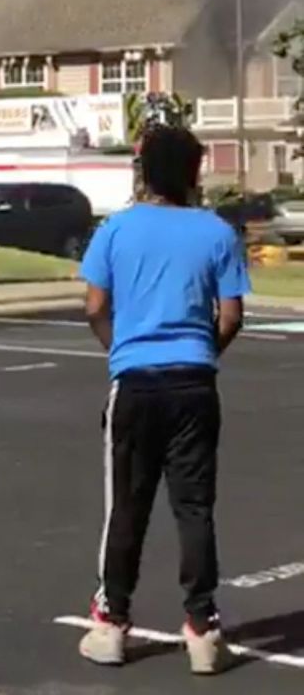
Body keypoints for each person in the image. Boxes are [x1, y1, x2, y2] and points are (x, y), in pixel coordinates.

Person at [78, 125, 251, 675]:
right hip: (194, 384)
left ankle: (110, 623)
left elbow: (94, 305)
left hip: (136, 383)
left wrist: (121, 350)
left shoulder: (116, 230)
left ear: (144, 171)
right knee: (194, 508)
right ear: (194, 172)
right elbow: (230, 317)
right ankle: (203, 628)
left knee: (126, 506)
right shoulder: (217, 233)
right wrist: (203, 352)